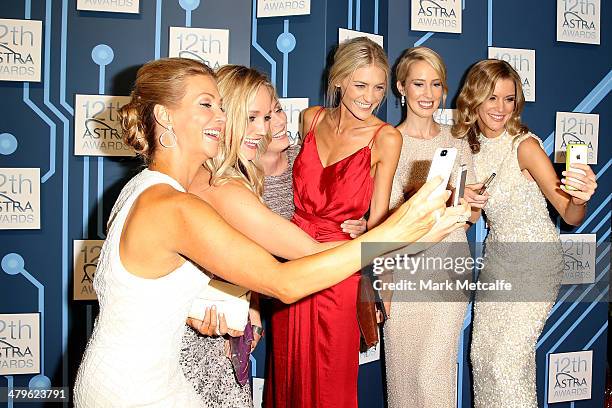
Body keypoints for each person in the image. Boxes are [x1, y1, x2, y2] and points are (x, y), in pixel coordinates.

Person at [72, 57, 467, 406]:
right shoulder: (180, 203)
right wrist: (401, 230)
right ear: (164, 118)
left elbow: (153, 284)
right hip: (137, 389)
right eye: (207, 106)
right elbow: (283, 280)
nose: (222, 119)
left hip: (142, 374)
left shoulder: (148, 187)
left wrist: (201, 305)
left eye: (223, 107)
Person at [179, 66, 365, 406]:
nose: (266, 128)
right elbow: (300, 260)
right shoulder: (224, 185)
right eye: (252, 118)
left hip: (225, 322)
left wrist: (246, 301)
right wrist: (400, 231)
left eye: (270, 115)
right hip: (199, 336)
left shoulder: (216, 172)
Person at [265, 37, 405, 408]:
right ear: (339, 80)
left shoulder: (386, 138)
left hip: (340, 267)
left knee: (331, 381)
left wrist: (380, 281)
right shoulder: (310, 118)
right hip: (290, 258)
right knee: (287, 368)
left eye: (378, 88)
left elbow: (380, 224)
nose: (369, 97)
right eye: (360, 85)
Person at [451, 59, 598, 408]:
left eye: (509, 98)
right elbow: (469, 219)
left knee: (507, 364)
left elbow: (569, 213)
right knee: (483, 359)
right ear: (474, 99)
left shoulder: (525, 146)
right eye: (492, 98)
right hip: (498, 262)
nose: (501, 108)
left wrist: (579, 197)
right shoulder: (468, 150)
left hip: (535, 262)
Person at [384, 46, 487, 408]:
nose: (428, 94)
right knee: (402, 376)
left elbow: (471, 217)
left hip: (448, 266)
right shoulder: (388, 142)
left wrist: (468, 202)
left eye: (436, 84)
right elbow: (383, 219)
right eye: (418, 84)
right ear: (401, 87)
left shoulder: (456, 140)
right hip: (402, 268)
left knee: (433, 373)